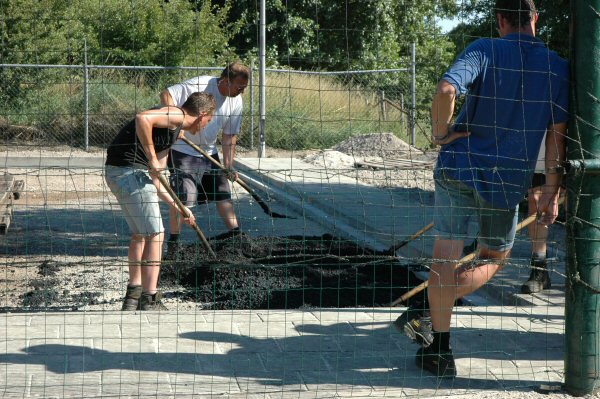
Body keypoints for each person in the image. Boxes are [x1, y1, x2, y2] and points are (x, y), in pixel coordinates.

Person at [394, 0, 568, 378]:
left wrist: (441, 134)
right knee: (494, 255)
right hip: (506, 178)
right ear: (536, 19)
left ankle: (440, 349)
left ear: (501, 20)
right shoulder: (558, 68)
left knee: (445, 255)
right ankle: (433, 303)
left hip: (458, 166)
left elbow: (445, 91)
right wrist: (552, 191)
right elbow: (557, 137)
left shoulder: (484, 49)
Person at [105, 92, 216, 311]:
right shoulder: (175, 114)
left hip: (122, 174)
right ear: (202, 115)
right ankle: (150, 298)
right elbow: (142, 118)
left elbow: (157, 179)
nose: (205, 127)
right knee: (156, 234)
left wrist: (179, 206)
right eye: (209, 122)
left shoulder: (174, 132)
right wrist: (152, 158)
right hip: (130, 173)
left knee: (141, 235)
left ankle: (133, 296)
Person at [160, 62, 249, 257]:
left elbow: (229, 136)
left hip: (209, 151)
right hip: (182, 148)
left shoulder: (236, 101)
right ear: (226, 81)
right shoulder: (199, 85)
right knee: (184, 197)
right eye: (239, 87)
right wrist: (175, 124)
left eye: (244, 88)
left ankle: (236, 236)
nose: (242, 91)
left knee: (222, 192)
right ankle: (174, 244)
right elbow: (166, 94)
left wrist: (228, 165)